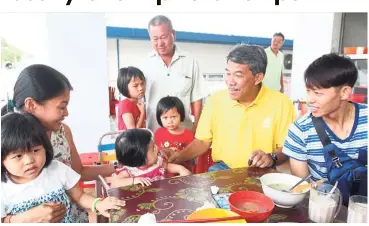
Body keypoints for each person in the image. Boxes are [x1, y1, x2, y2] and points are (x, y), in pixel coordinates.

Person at [11, 64, 116, 222]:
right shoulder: (6, 143)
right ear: (31, 105)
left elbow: (77, 171)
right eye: (62, 107)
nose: (66, 113)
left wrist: (118, 167)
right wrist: (22, 218)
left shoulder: (62, 132)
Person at [166, 44, 296, 171]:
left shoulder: (282, 103)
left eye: (238, 75)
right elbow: (202, 142)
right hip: (223, 169)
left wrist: (271, 157)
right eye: (228, 73)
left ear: (258, 78)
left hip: (263, 171)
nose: (230, 82)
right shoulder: (215, 100)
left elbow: (287, 149)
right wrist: (177, 157)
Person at [1, 113, 125, 223]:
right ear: (2, 160)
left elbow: (80, 196)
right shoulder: (3, 189)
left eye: (36, 150)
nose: (29, 161)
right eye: (18, 156)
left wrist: (98, 204)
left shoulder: (57, 169)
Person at [282, 53, 367, 181]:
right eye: (308, 91)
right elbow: (303, 187)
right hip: (321, 200)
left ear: (344, 92)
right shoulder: (300, 131)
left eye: (317, 93)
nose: (310, 100)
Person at [140, 15, 208, 134]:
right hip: (154, 133)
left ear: (173, 34)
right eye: (155, 39)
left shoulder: (189, 60)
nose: (160, 43)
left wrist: (196, 127)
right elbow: (138, 99)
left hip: (184, 132)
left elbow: (197, 97)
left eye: (163, 37)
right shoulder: (144, 63)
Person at [110, 129, 191, 188]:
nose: (157, 148)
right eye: (153, 149)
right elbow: (115, 183)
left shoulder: (158, 163)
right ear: (140, 157)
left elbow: (177, 168)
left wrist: (183, 170)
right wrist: (134, 181)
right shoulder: (131, 171)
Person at [154, 96, 195, 175]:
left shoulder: (188, 134)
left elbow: (192, 157)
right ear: (159, 118)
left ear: (181, 115)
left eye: (173, 117)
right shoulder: (158, 133)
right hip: (163, 174)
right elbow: (156, 153)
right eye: (165, 117)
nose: (170, 121)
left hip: (183, 174)